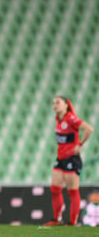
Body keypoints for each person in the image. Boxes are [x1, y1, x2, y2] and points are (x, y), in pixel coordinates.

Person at [44, 96, 93, 226]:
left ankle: (72, 222)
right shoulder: (58, 119)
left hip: (72, 158)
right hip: (60, 158)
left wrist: (80, 144)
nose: (55, 105)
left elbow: (89, 129)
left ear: (66, 105)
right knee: (55, 189)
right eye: (53, 103)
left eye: (58, 103)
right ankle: (57, 219)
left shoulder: (70, 118)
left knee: (72, 191)